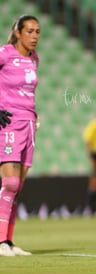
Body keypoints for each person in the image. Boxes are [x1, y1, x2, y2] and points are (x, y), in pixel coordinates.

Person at [0, 14, 41, 256]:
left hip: (29, 124)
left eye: (38, 32)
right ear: (18, 32)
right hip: (9, 122)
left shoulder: (34, 59)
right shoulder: (5, 53)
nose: (35, 36)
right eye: (30, 31)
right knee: (10, 183)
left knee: (18, 187)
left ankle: (8, 242)